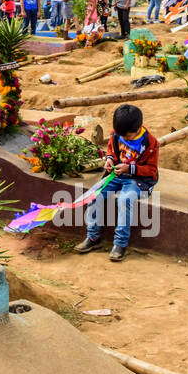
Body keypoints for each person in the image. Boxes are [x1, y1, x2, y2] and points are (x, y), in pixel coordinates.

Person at [75, 104, 159, 262]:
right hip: (116, 174)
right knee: (94, 195)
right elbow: (112, 151)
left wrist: (130, 169)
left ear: (138, 127)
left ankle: (120, 244)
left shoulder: (150, 143)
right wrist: (109, 159)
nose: (124, 139)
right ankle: (93, 238)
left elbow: (152, 170)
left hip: (137, 179)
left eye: (127, 137)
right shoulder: (117, 134)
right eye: (122, 137)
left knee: (125, 200)